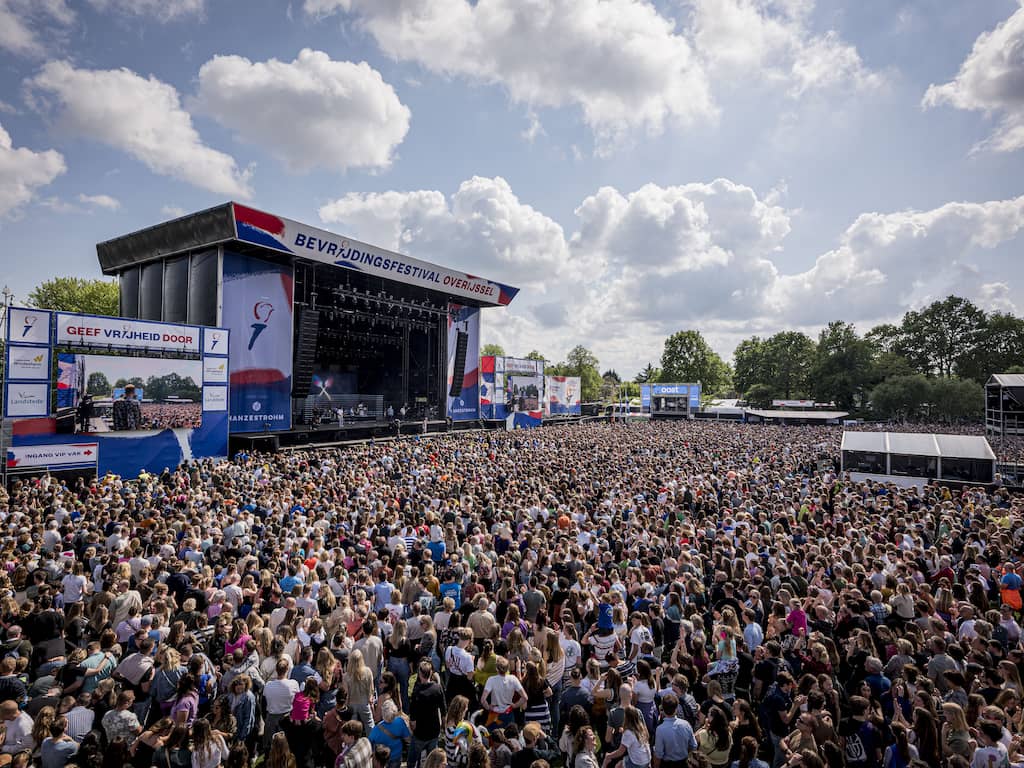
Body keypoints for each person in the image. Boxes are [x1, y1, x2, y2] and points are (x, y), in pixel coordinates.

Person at [652, 695, 697, 768]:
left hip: (667, 765)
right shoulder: (686, 724)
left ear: (663, 708)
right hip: (684, 763)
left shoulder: (660, 729)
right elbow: (694, 745)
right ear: (676, 709)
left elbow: (658, 754)